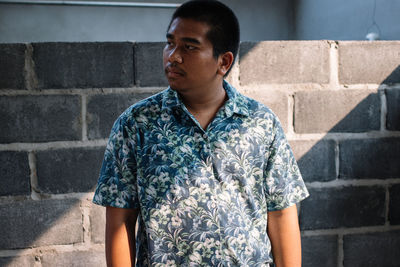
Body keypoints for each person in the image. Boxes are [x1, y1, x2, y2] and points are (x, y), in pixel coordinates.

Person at [93, 0, 309, 266]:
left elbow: (281, 215)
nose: (173, 55)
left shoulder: (260, 123)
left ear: (224, 61)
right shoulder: (136, 124)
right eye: (170, 42)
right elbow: (120, 221)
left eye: (189, 47)